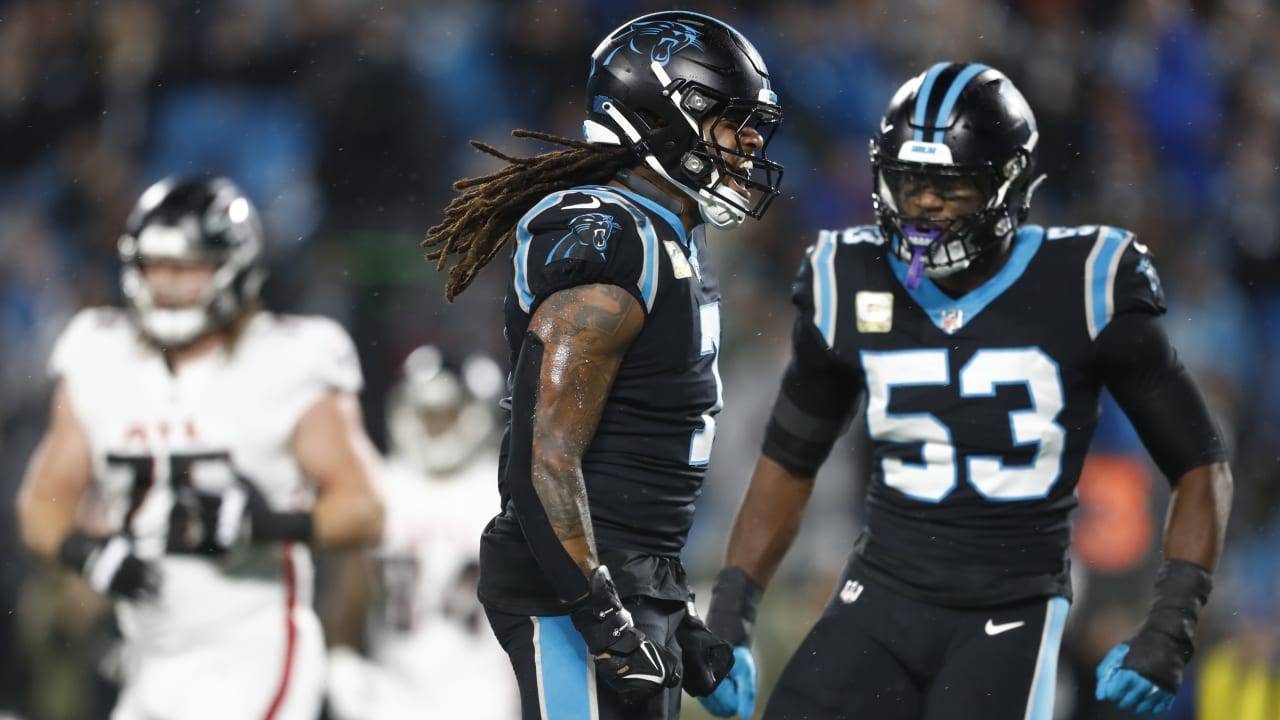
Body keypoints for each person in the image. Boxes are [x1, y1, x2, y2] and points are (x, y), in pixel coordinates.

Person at [701, 62, 1233, 720]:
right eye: (909, 183)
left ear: (1006, 186)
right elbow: (789, 458)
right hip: (880, 596)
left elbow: (1200, 462)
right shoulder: (848, 277)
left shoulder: (1088, 284)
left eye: (948, 190)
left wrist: (1171, 623)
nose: (922, 207)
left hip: (1011, 610)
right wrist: (733, 610)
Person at [421, 9, 785, 720]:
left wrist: (673, 614)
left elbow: (631, 460)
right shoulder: (610, 235)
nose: (748, 145)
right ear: (660, 115)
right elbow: (544, 458)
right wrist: (606, 620)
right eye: (730, 122)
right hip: (571, 587)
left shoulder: (668, 233)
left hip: (622, 577)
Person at [16, 176, 385, 720]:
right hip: (148, 661)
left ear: (235, 267)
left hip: (255, 653)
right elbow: (41, 504)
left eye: (187, 267)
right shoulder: (98, 354)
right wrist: (89, 554)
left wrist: (270, 525)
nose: (165, 283)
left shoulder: (291, 359)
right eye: (154, 265)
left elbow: (366, 509)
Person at [324, 345, 518, 719]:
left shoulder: (502, 491)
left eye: (446, 413)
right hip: (390, 690)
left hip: (482, 693)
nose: (435, 425)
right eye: (426, 413)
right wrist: (340, 653)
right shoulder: (383, 485)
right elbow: (350, 582)